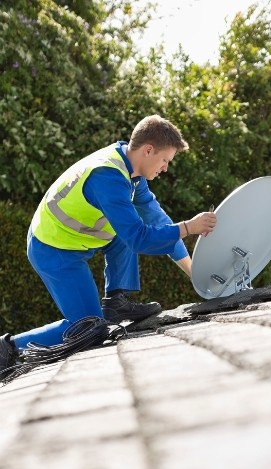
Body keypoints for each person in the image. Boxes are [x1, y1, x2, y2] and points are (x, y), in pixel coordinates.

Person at [0, 114, 217, 378]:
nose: (165, 168)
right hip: (52, 248)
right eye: (165, 160)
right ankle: (8, 348)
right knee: (90, 328)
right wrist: (188, 227)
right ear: (148, 150)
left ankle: (116, 301)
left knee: (127, 229)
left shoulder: (133, 174)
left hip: (75, 238)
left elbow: (157, 219)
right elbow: (139, 238)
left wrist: (194, 273)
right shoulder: (108, 177)